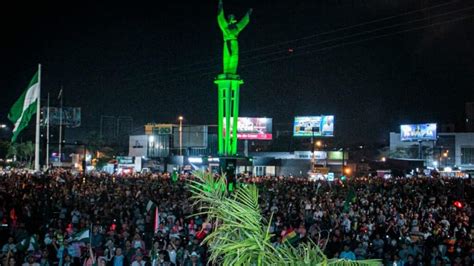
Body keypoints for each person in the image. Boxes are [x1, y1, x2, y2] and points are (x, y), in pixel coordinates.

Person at [217, 0, 252, 75]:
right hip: (227, 43)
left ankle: (233, 73)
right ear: (229, 20)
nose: (234, 20)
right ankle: (226, 72)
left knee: (234, 58)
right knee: (227, 58)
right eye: (232, 18)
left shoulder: (236, 28)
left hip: (235, 43)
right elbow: (220, 18)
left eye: (233, 18)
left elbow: (244, 22)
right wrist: (220, 6)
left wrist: (248, 13)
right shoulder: (225, 27)